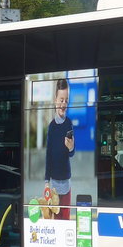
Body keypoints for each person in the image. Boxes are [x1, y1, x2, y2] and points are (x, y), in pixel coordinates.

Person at [44, 78, 75, 218]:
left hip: (66, 182)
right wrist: (46, 182)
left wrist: (71, 147)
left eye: (66, 101)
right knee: (55, 219)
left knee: (66, 217)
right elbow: (48, 154)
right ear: (55, 99)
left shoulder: (69, 123)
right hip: (54, 184)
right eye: (61, 100)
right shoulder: (51, 126)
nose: (63, 104)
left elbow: (72, 153)